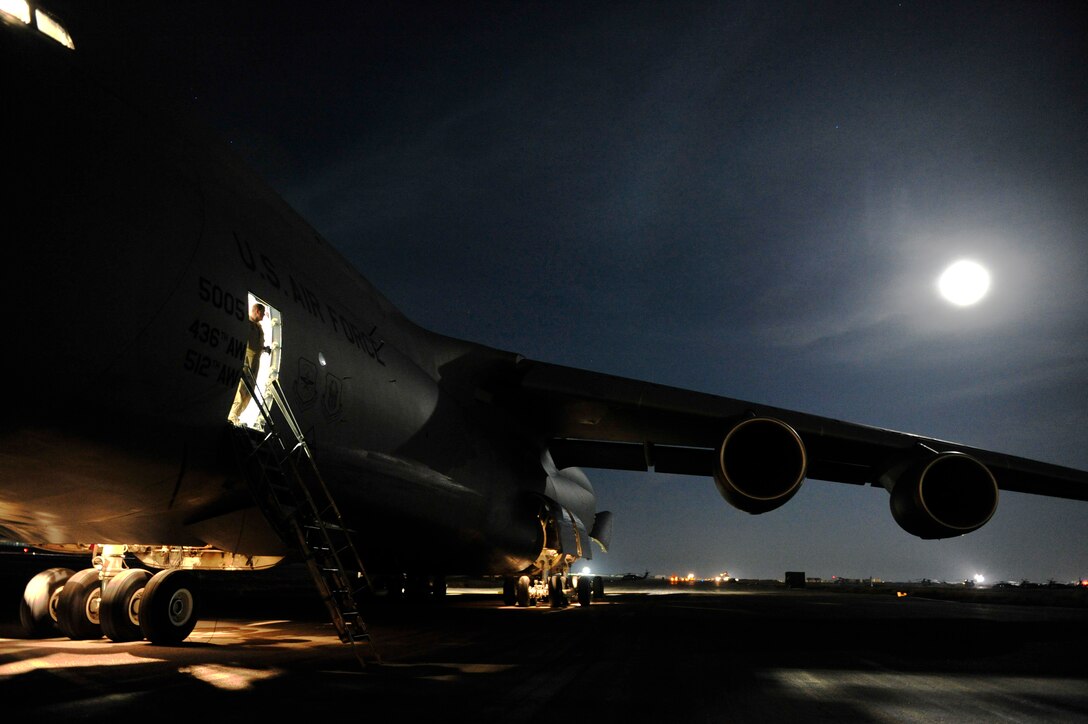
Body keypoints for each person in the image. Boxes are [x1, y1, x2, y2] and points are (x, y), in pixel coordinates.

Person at [228, 303, 272, 424]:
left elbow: (256, 344)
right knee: (242, 387)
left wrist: (264, 349)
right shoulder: (246, 323)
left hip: (255, 361)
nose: (263, 316)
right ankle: (232, 415)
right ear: (257, 311)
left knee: (250, 390)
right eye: (262, 313)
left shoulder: (258, 326)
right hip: (247, 359)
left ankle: (237, 415)